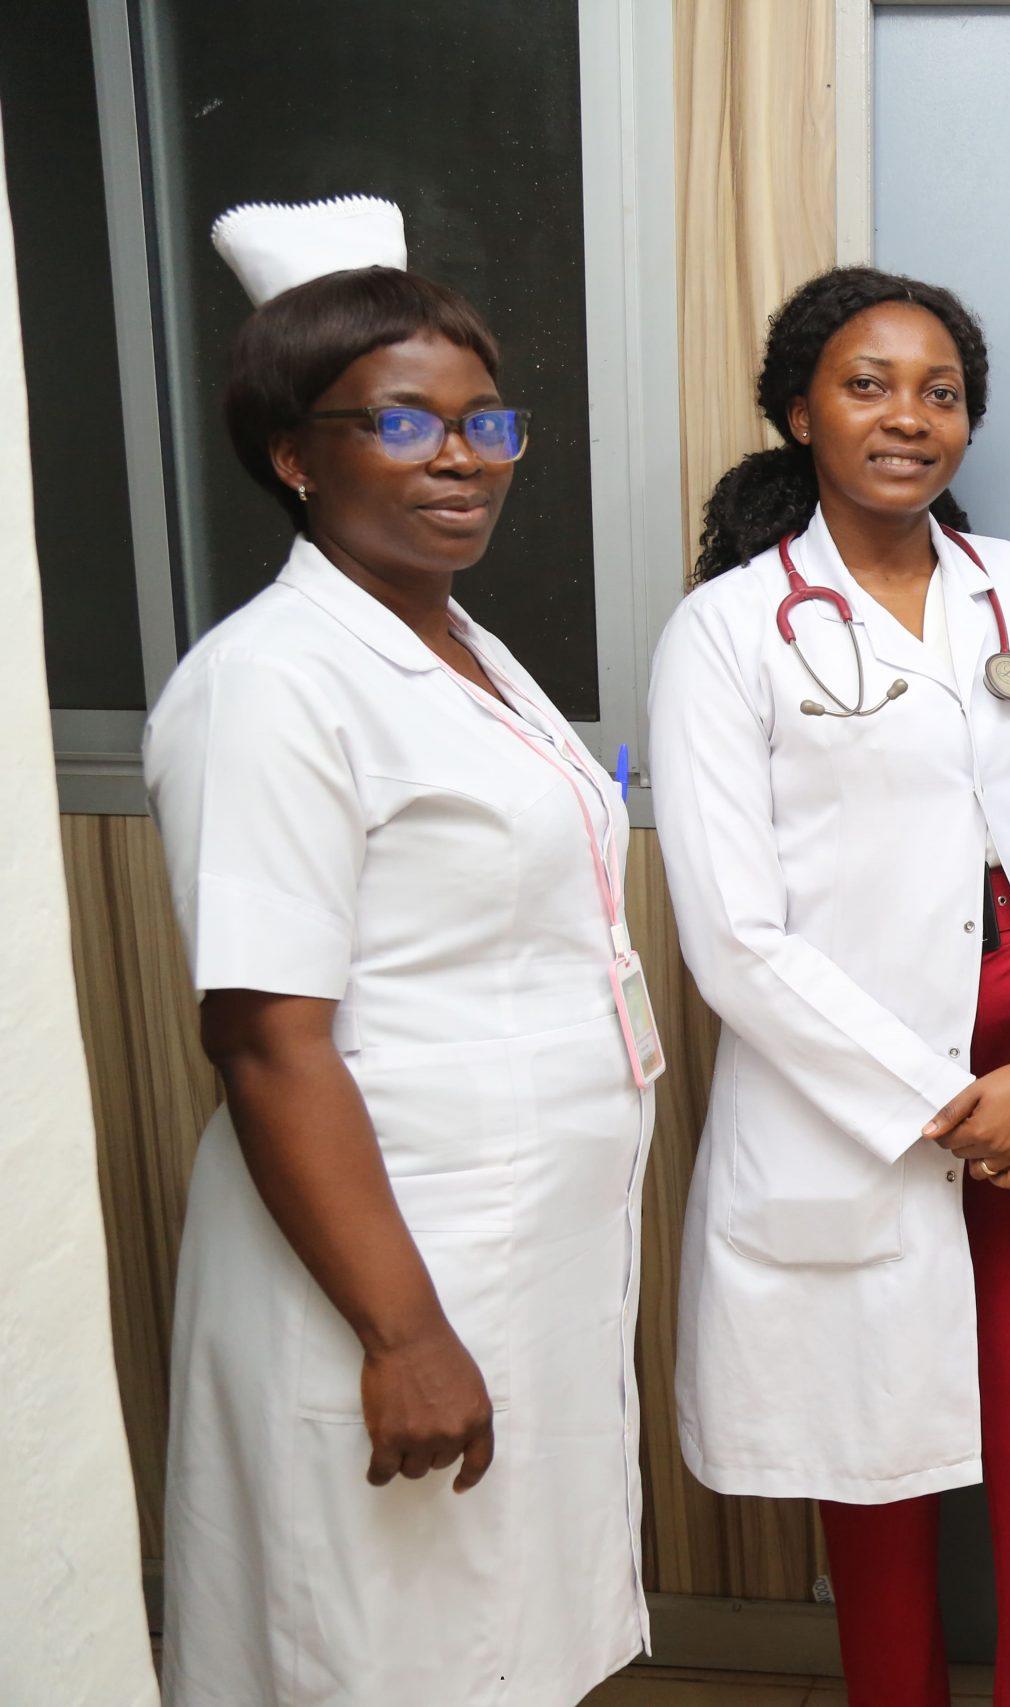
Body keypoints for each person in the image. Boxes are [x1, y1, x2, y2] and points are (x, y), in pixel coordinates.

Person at [143, 196, 657, 1705]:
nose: (458, 458)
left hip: (508, 1245)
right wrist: (407, 1331)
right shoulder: (269, 684)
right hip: (397, 1263)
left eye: (483, 423)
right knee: (387, 1647)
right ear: (294, 457)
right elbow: (264, 1036)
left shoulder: (462, 642)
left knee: (492, 1633)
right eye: (402, 423)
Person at [647, 265, 1010, 1706]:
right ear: (800, 410)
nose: (908, 416)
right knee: (871, 1470)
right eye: (869, 385)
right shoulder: (730, 630)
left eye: (940, 392)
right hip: (861, 1114)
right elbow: (735, 937)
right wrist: (957, 1103)